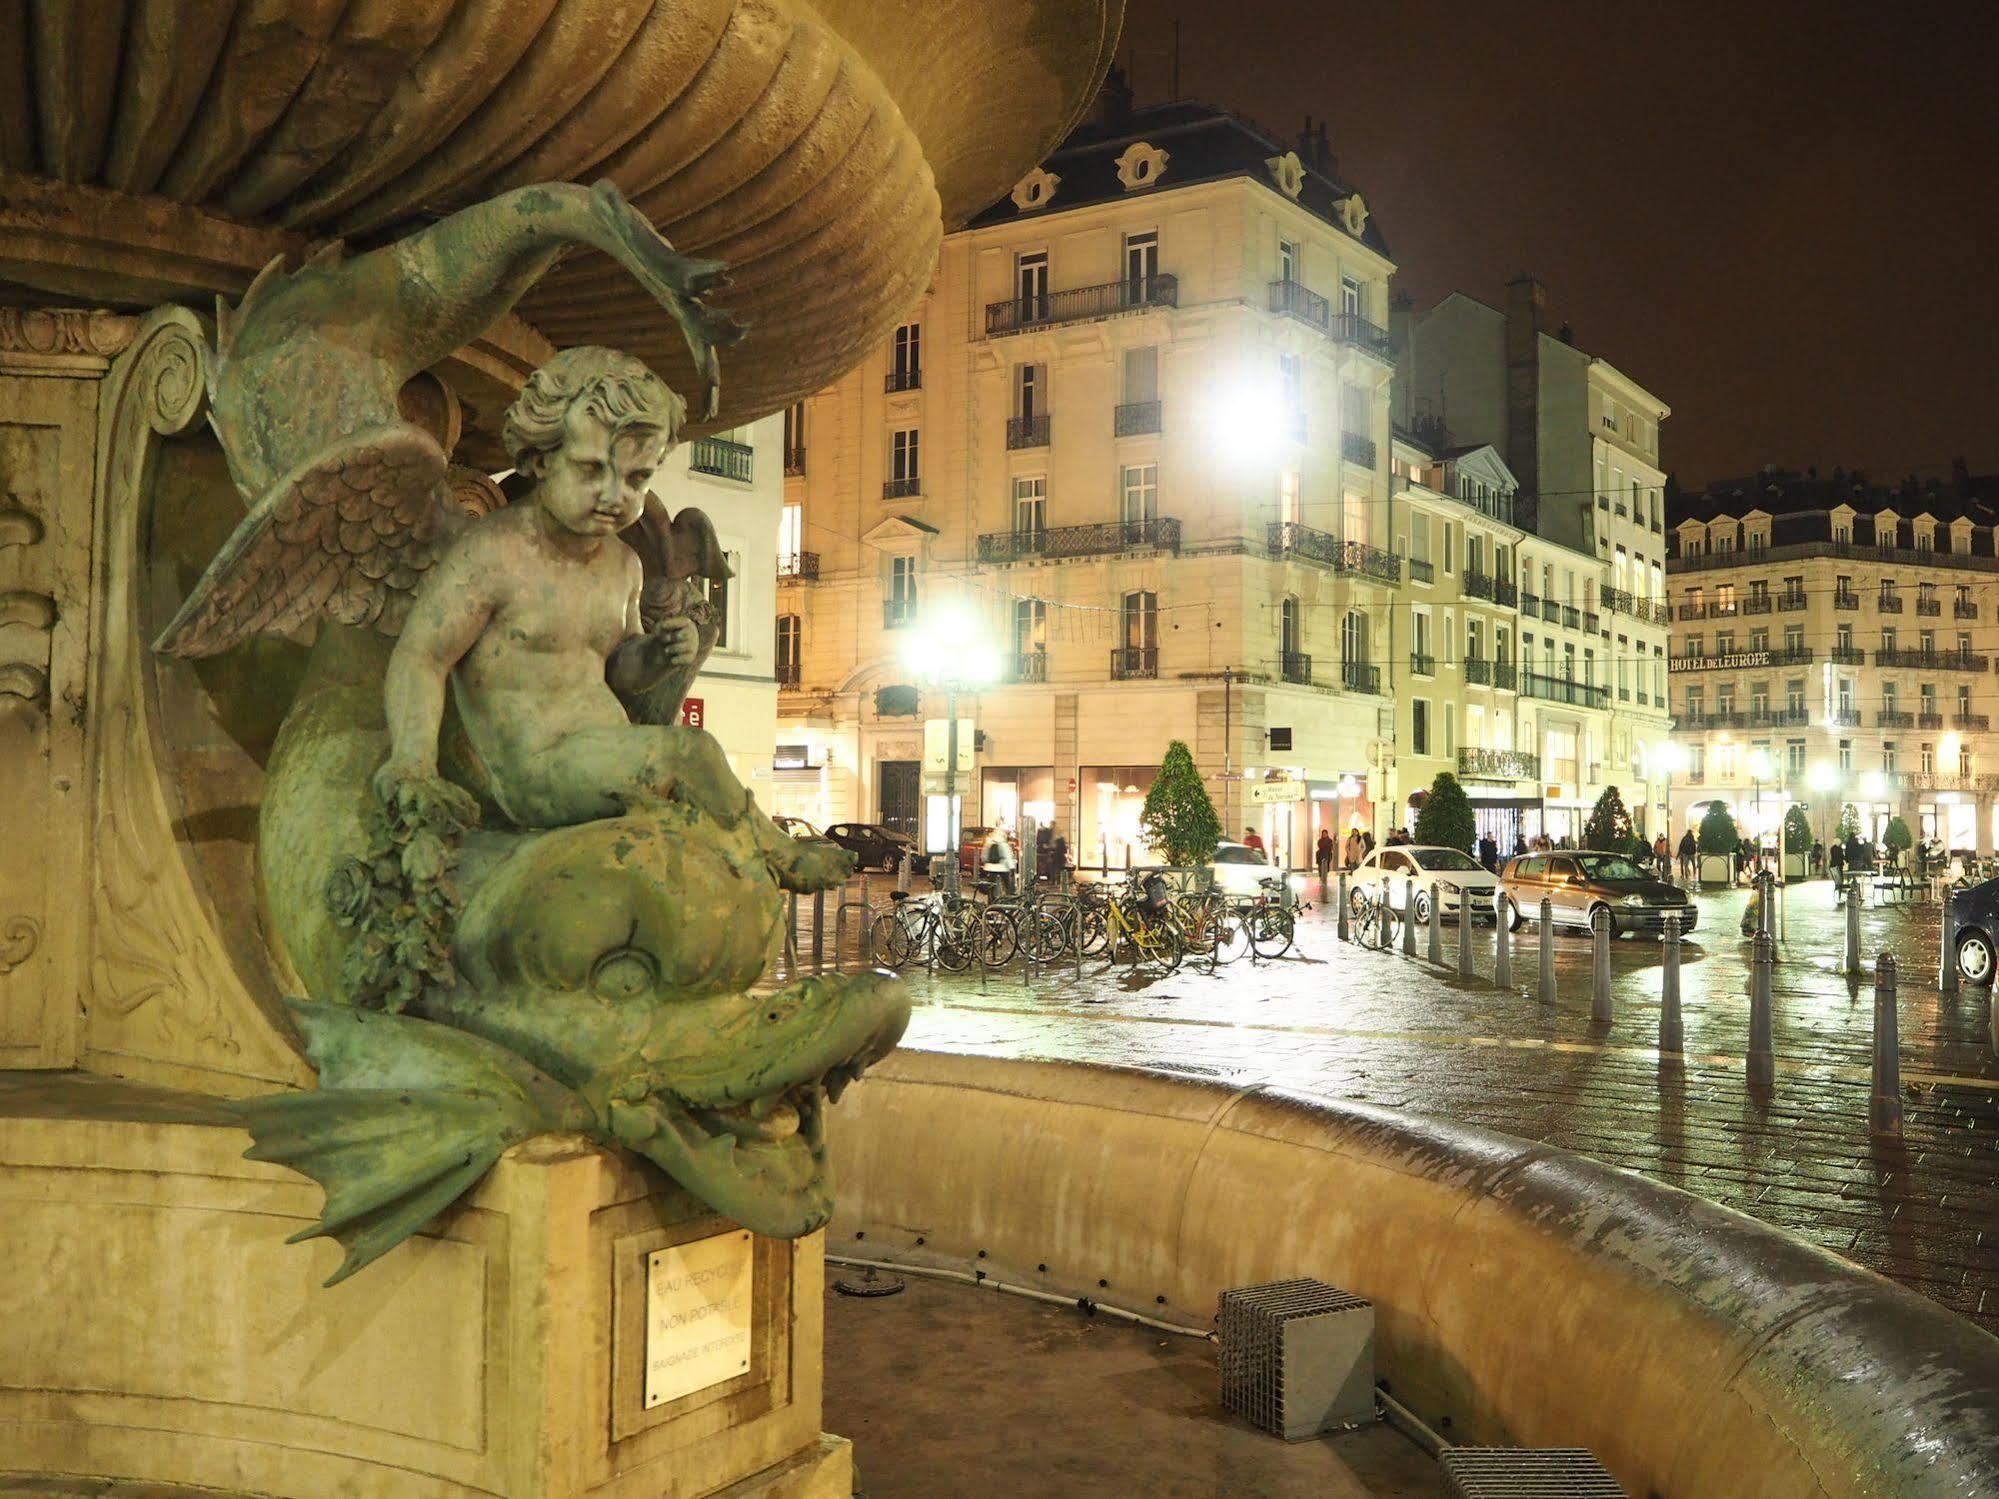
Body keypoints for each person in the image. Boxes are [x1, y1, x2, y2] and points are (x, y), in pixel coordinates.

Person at [981, 825, 1015, 894]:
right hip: (1002, 867)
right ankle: (1010, 896)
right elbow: (1007, 856)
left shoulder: (989, 842)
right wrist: (1012, 867)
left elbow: (984, 855)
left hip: (990, 867)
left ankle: (991, 900)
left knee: (991, 885)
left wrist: (986, 863)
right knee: (1007, 883)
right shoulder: (1003, 843)